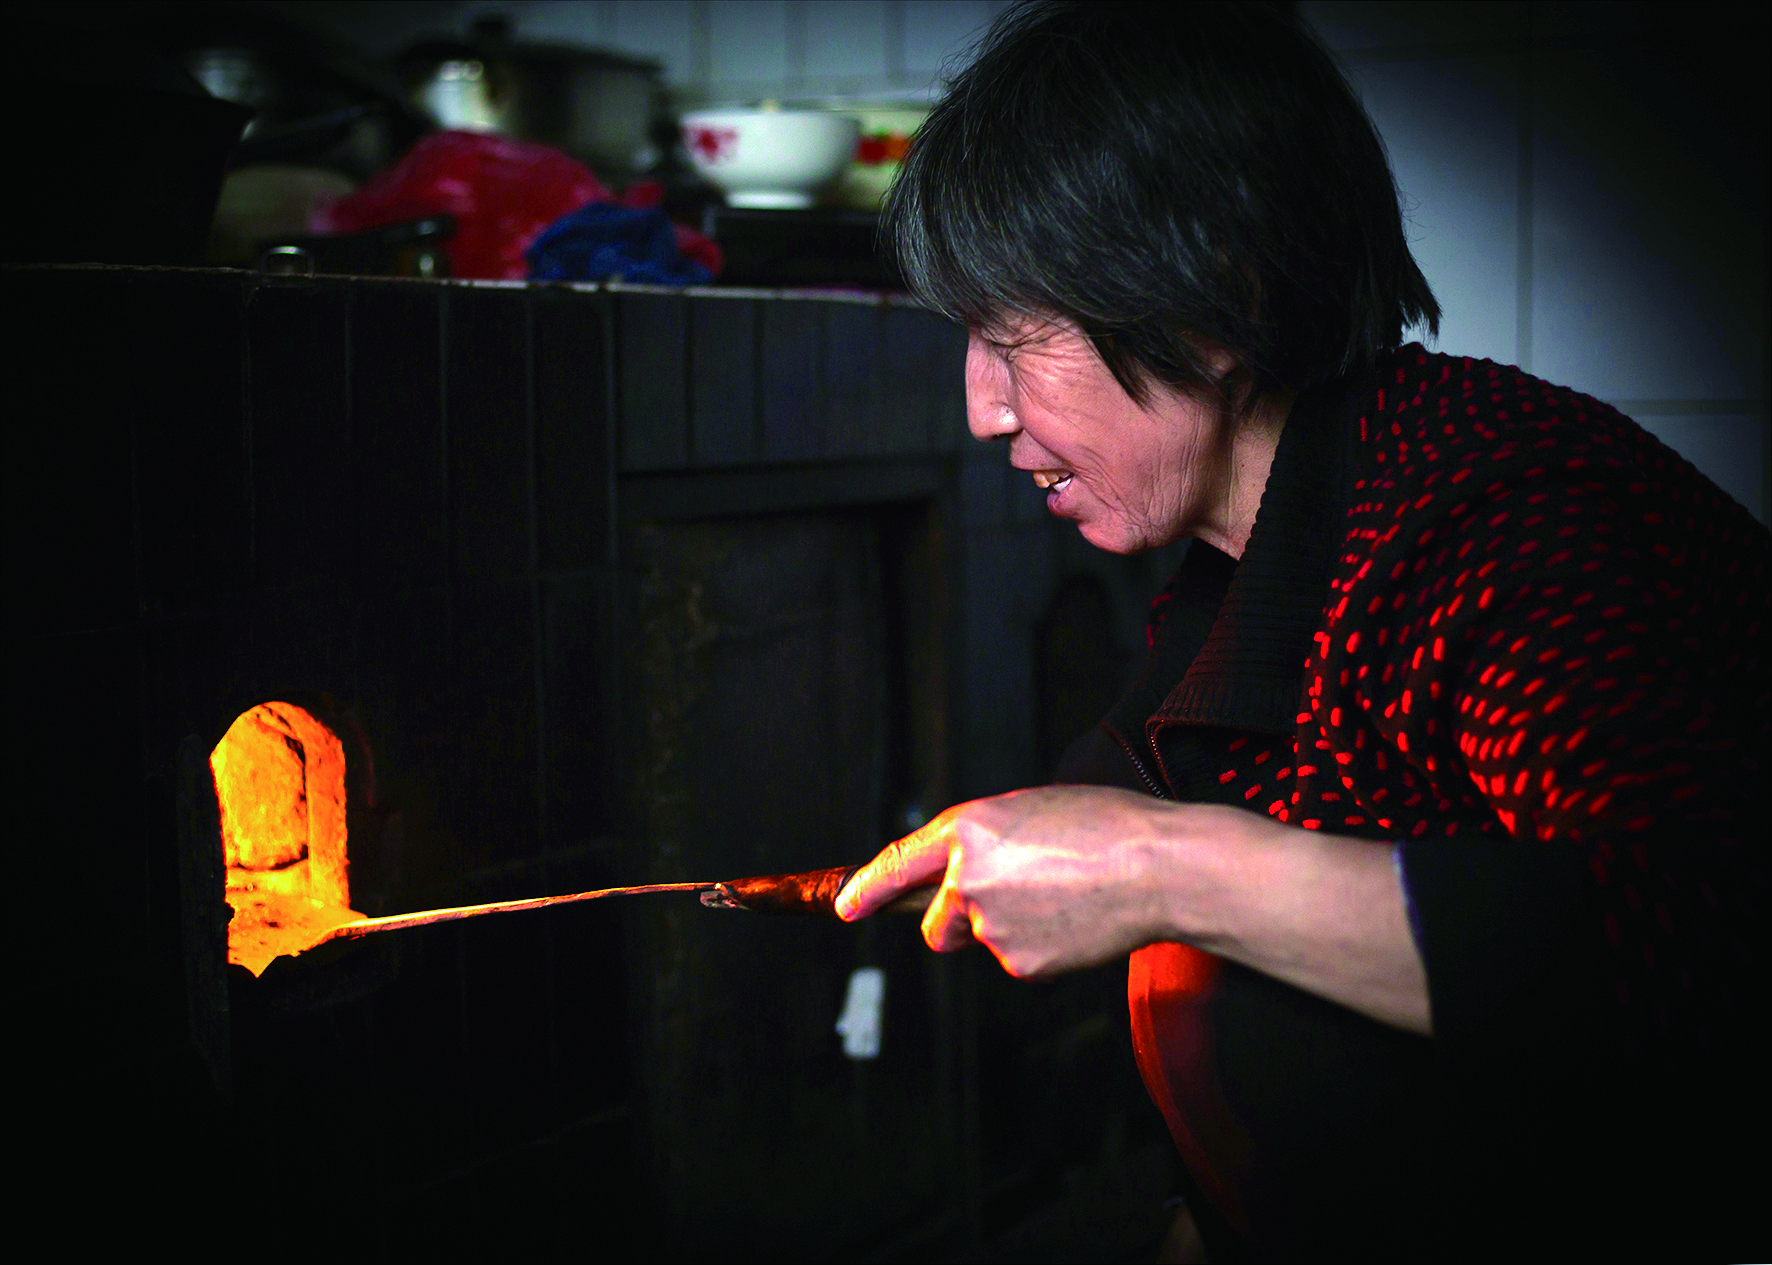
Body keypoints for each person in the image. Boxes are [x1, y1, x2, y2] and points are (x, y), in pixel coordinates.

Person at [833, 3, 1766, 1259]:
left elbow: (1699, 946)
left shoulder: (1495, 516)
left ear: (1217, 300)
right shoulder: (1241, 562)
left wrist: (1159, 865)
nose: (982, 408)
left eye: (1014, 336)